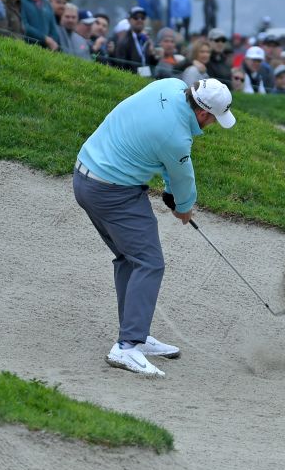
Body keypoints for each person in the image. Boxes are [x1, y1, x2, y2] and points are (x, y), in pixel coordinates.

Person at [73, 77, 236, 378]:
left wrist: (173, 193)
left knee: (130, 259)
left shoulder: (170, 84)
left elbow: (161, 158)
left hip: (86, 175)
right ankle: (126, 348)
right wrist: (184, 208)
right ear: (203, 114)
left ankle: (135, 333)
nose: (213, 124)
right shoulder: (176, 138)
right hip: (111, 191)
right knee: (149, 262)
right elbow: (183, 180)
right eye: (215, 118)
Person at [113, 6, 157, 74]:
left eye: (142, 18)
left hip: (147, 79)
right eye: (136, 17)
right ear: (129, 20)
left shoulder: (146, 39)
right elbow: (121, 68)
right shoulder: (123, 41)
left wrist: (153, 55)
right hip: (132, 81)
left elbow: (151, 64)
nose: (140, 20)